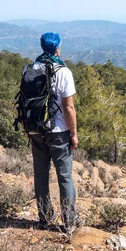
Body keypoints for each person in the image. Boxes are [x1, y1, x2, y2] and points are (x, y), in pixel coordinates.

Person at [27, 32, 78, 229]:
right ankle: (69, 221)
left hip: (35, 130)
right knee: (64, 177)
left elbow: (25, 102)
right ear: (58, 48)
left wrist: (28, 127)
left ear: (42, 47)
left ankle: (44, 217)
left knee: (41, 176)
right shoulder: (63, 72)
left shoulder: (30, 68)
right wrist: (73, 133)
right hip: (58, 132)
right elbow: (69, 107)